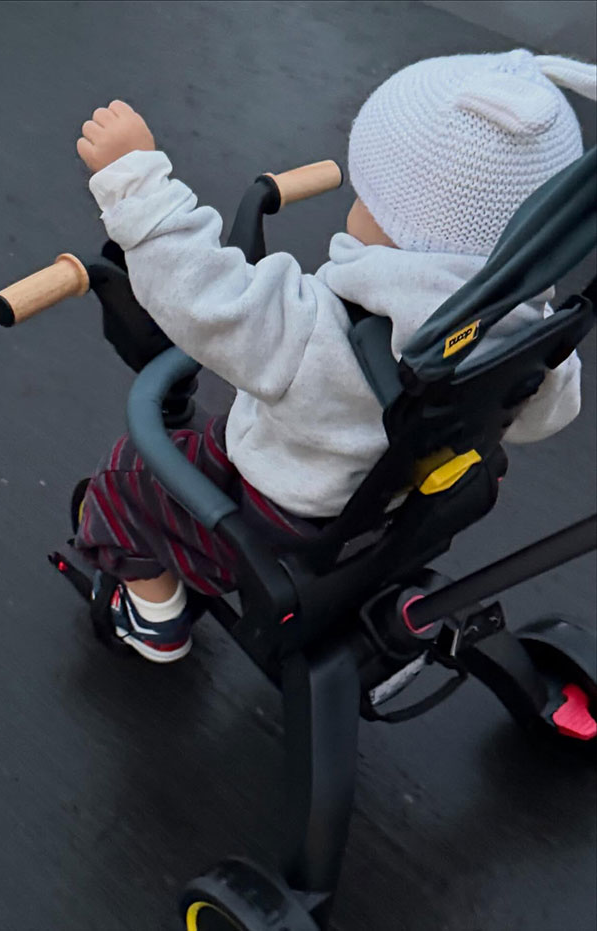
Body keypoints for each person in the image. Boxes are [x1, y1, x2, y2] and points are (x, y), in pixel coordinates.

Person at [72, 48, 596, 662]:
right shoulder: (529, 328)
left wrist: (135, 182)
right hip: (392, 510)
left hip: (281, 515)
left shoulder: (322, 326)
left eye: (367, 196)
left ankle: (155, 616)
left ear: (403, 224)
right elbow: (545, 416)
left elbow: (202, 299)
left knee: (128, 477)